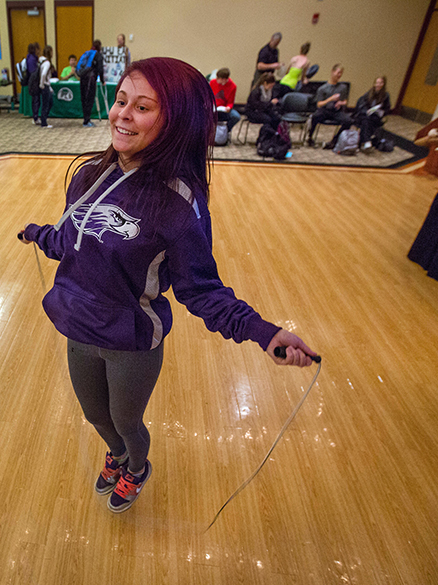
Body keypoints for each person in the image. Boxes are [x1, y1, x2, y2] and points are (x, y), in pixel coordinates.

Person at [18, 57, 317, 513]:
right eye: (120, 101)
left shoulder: (179, 203)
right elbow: (71, 240)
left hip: (131, 341)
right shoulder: (86, 175)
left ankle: (135, 466)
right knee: (95, 415)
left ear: (175, 121)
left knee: (125, 418)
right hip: (77, 330)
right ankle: (117, 455)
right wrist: (39, 233)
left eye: (142, 107)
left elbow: (202, 291)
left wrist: (265, 333)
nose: (122, 114)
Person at [306, 63, 351, 149]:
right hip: (325, 110)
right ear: (332, 72)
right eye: (338, 72)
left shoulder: (343, 87)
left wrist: (340, 103)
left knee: (348, 121)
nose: (339, 75)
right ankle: (310, 138)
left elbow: (345, 101)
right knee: (315, 117)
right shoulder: (323, 88)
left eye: (341, 73)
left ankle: (334, 140)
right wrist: (330, 99)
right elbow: (319, 104)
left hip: (336, 111)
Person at [353, 76, 391, 151]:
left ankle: (362, 143)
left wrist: (381, 111)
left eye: (381, 83)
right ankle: (367, 141)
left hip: (375, 116)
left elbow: (387, 109)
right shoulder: (369, 93)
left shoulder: (385, 96)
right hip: (365, 114)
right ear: (374, 84)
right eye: (377, 83)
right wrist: (366, 111)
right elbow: (361, 105)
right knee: (366, 120)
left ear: (384, 84)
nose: (378, 85)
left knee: (367, 121)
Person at [78, 40, 104, 127]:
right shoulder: (98, 55)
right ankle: (87, 120)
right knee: (89, 99)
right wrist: (103, 81)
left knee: (84, 99)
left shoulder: (87, 53)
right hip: (91, 79)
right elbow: (100, 69)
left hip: (83, 79)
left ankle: (85, 119)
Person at [210, 68, 241, 133]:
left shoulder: (232, 86)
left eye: (219, 79)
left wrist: (228, 107)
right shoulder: (212, 83)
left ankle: (226, 131)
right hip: (212, 107)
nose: (217, 80)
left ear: (224, 79)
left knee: (236, 116)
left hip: (223, 109)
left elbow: (230, 102)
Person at [37, 45, 54, 128]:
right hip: (45, 86)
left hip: (47, 86)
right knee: (46, 104)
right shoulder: (47, 63)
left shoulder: (41, 61)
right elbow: (44, 74)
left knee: (49, 102)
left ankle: (43, 118)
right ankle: (44, 122)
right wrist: (42, 84)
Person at [26, 43, 41, 125]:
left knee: (36, 100)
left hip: (33, 81)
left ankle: (36, 117)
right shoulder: (32, 59)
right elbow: (33, 72)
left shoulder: (33, 58)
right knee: (35, 100)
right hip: (34, 82)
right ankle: (35, 117)